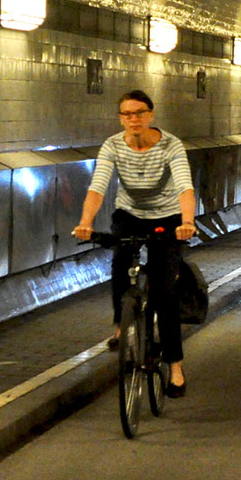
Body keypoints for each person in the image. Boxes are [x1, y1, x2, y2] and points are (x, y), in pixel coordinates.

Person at [73, 90, 197, 398]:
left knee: (164, 292)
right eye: (127, 114)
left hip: (167, 219)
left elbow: (184, 186)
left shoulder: (171, 145)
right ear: (120, 118)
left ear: (151, 115)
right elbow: (98, 186)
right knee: (120, 260)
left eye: (139, 113)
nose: (134, 119)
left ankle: (175, 366)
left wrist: (187, 221)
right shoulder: (113, 145)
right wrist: (86, 222)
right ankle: (121, 322)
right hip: (129, 214)